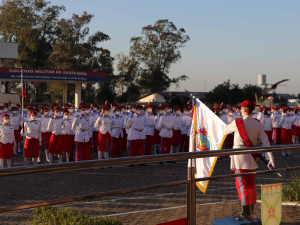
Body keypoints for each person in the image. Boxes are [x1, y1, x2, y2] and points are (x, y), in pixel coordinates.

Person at [222, 100, 275, 221]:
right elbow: (266, 141)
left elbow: (224, 130)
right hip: (251, 156)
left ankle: (245, 213)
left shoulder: (238, 122)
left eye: (241, 108)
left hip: (240, 157)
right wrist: (270, 158)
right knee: (250, 185)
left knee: (242, 185)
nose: (240, 110)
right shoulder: (258, 123)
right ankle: (250, 212)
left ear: (244, 110)